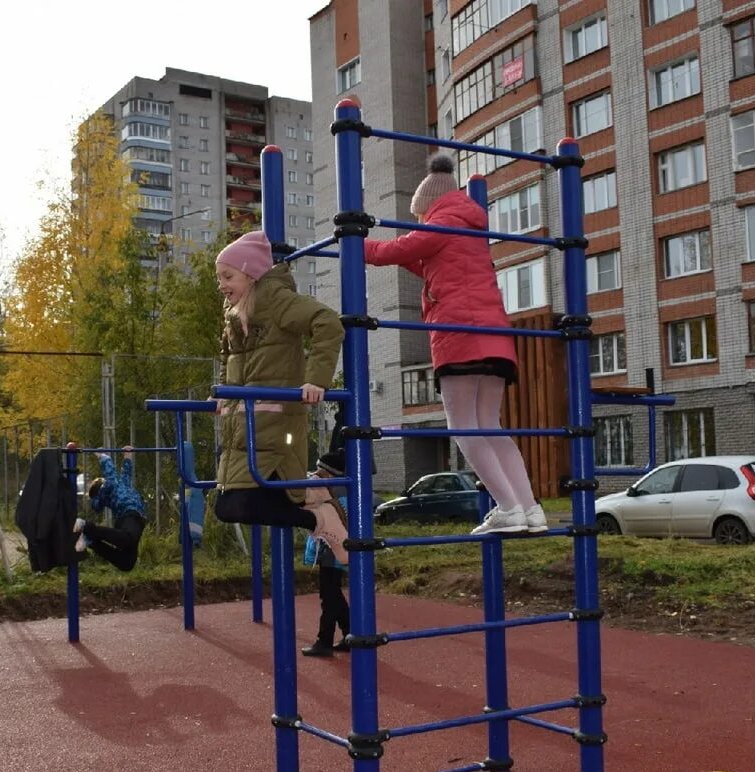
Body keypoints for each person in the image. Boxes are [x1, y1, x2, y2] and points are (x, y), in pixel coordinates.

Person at [363, 154, 547, 535]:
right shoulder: (470, 230)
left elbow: (392, 250)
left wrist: (355, 241)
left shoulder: (440, 223)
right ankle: (530, 509)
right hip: (496, 339)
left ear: (429, 206)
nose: (418, 222)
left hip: (461, 336)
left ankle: (508, 507)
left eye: (419, 216)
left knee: (464, 427)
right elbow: (427, 263)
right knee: (490, 426)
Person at [209, 230, 349, 562]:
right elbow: (229, 359)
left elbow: (327, 322)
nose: (221, 285)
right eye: (219, 278)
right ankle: (313, 498)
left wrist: (316, 380)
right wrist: (221, 394)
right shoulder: (235, 313)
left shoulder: (276, 300)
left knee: (235, 505)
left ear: (250, 274)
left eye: (228, 276)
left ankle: (318, 516)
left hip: (276, 423)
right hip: (246, 425)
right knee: (228, 507)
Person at [300, 449, 351, 658]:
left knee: (329, 596)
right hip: (332, 548)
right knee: (332, 593)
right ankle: (350, 634)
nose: (315, 473)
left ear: (330, 473)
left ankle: (325, 641)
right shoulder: (336, 489)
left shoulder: (332, 492)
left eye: (320, 470)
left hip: (331, 548)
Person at [75, 445, 147, 572]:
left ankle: (91, 541)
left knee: (127, 562)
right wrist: (103, 457)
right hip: (129, 514)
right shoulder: (108, 488)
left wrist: (127, 456)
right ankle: (86, 526)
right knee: (127, 539)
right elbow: (110, 475)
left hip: (132, 519)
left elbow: (126, 472)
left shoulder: (121, 483)